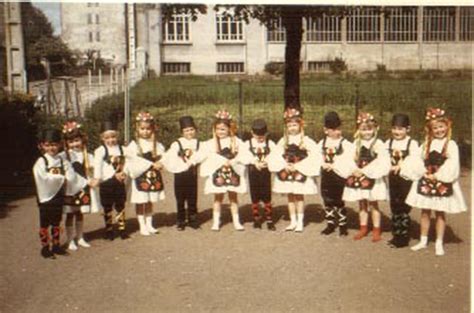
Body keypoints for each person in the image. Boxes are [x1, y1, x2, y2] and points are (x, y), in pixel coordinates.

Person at [403, 107, 467, 256]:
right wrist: (423, 172)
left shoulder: (450, 144)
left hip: (441, 180)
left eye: (441, 126)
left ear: (447, 126)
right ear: (430, 129)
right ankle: (423, 240)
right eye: (435, 128)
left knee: (440, 212)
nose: (439, 130)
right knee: (425, 211)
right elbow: (416, 159)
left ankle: (439, 242)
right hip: (426, 178)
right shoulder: (426, 143)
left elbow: (452, 163)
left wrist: (438, 175)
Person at [268, 107, 320, 232]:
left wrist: (298, 166)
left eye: (295, 125)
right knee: (290, 196)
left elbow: (315, 155)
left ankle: (300, 221)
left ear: (300, 125)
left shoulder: (305, 141)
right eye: (290, 125)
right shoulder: (283, 141)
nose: (292, 128)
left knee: (299, 195)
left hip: (300, 171)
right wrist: (284, 165)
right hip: (287, 171)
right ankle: (293, 221)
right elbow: (276, 154)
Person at [342, 112, 390, 242]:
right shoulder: (356, 144)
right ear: (358, 130)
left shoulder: (378, 143)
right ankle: (363, 228)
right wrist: (354, 169)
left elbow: (382, 160)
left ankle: (376, 229)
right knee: (362, 203)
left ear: (375, 129)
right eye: (363, 130)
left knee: (373, 204)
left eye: (369, 129)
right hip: (359, 176)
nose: (367, 133)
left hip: (372, 176)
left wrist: (366, 171)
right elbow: (348, 158)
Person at [200, 110, 248, 231]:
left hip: (232, 172)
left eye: (223, 129)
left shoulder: (236, 141)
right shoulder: (211, 143)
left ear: (229, 129)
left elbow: (243, 154)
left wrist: (233, 161)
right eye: (218, 129)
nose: (220, 132)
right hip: (219, 173)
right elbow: (205, 155)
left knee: (233, 197)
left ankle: (237, 221)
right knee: (218, 197)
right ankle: (216, 221)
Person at [33, 129, 74, 258]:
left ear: (60, 145)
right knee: (44, 222)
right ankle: (45, 248)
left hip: (58, 196)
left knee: (56, 221)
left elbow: (71, 176)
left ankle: (56, 245)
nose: (52, 148)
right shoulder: (41, 161)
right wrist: (61, 178)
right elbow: (42, 178)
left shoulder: (62, 161)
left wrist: (66, 177)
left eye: (54, 144)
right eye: (48, 145)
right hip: (45, 196)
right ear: (43, 146)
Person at [62, 120, 101, 250]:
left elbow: (95, 169)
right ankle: (70, 239)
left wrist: (95, 178)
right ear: (67, 143)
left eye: (77, 140)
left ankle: (80, 237)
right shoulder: (64, 156)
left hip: (84, 188)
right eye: (71, 141)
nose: (74, 144)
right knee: (70, 213)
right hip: (71, 189)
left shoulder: (88, 155)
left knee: (80, 213)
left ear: (82, 140)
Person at [162, 116, 204, 230]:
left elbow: (201, 155)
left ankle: (193, 219)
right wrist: (180, 165)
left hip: (192, 174)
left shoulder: (198, 143)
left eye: (191, 129)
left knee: (192, 197)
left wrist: (193, 161)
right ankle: (180, 220)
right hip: (180, 174)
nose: (189, 132)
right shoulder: (177, 144)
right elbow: (170, 156)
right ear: (182, 132)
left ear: (195, 130)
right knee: (180, 197)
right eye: (186, 130)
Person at [126, 112, 165, 236]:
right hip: (140, 177)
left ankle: (149, 223)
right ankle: (142, 225)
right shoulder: (134, 145)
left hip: (152, 177)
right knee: (141, 200)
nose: (145, 132)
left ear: (152, 129)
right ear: (137, 129)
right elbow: (132, 161)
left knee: (149, 200)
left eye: (148, 129)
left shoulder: (157, 145)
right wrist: (150, 164)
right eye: (142, 129)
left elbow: (163, 157)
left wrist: (160, 163)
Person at [385, 114, 419, 248]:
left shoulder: (412, 143)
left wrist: (401, 166)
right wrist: (389, 166)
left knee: (403, 206)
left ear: (408, 129)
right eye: (394, 128)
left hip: (405, 178)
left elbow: (414, 160)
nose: (397, 132)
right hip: (393, 177)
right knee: (394, 204)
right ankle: (396, 234)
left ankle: (403, 237)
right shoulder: (389, 143)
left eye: (400, 129)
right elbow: (383, 159)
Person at [318, 111, 353, 236]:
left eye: (339, 129)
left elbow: (347, 159)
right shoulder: (322, 144)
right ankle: (330, 224)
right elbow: (317, 157)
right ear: (326, 130)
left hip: (338, 175)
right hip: (326, 175)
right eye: (333, 129)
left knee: (339, 200)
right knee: (327, 199)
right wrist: (323, 164)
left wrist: (334, 165)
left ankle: (343, 225)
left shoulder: (345, 144)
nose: (337, 132)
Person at [244, 119, 276, 231]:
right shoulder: (248, 144)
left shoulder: (270, 143)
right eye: (257, 136)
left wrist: (267, 161)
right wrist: (254, 162)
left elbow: (275, 154)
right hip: (253, 171)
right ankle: (256, 218)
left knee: (267, 194)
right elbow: (244, 155)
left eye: (262, 135)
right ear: (252, 133)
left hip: (265, 171)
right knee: (255, 194)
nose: (260, 138)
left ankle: (269, 219)